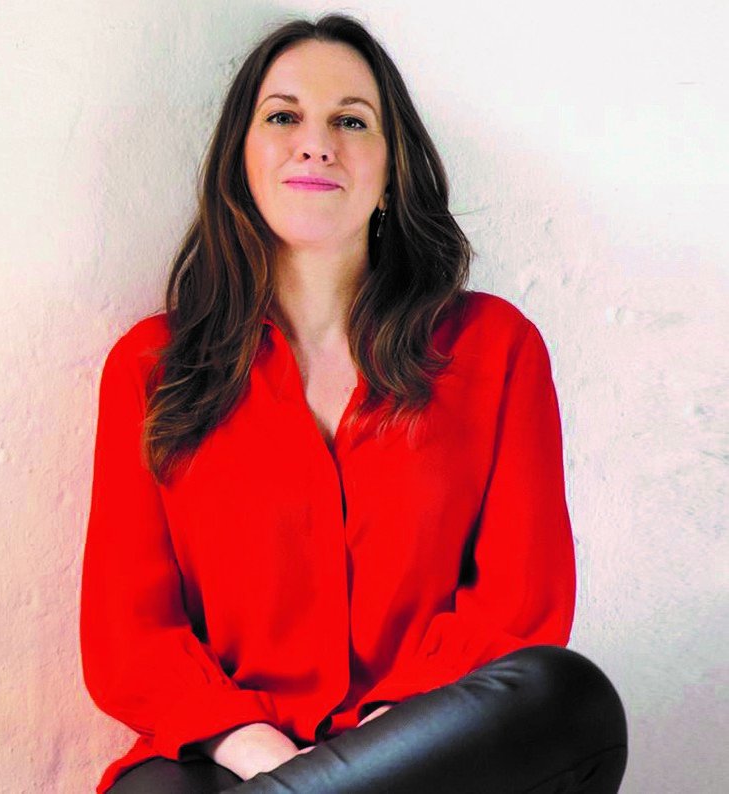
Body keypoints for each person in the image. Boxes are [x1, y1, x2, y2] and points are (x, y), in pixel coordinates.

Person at [79, 13, 628, 794]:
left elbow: (521, 605)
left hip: (435, 755)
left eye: (351, 120)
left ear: (392, 169)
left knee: (568, 698)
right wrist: (269, 757)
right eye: (283, 117)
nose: (316, 143)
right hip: (225, 762)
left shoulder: (496, 348)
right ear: (240, 161)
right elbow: (128, 637)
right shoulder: (151, 367)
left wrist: (388, 751)